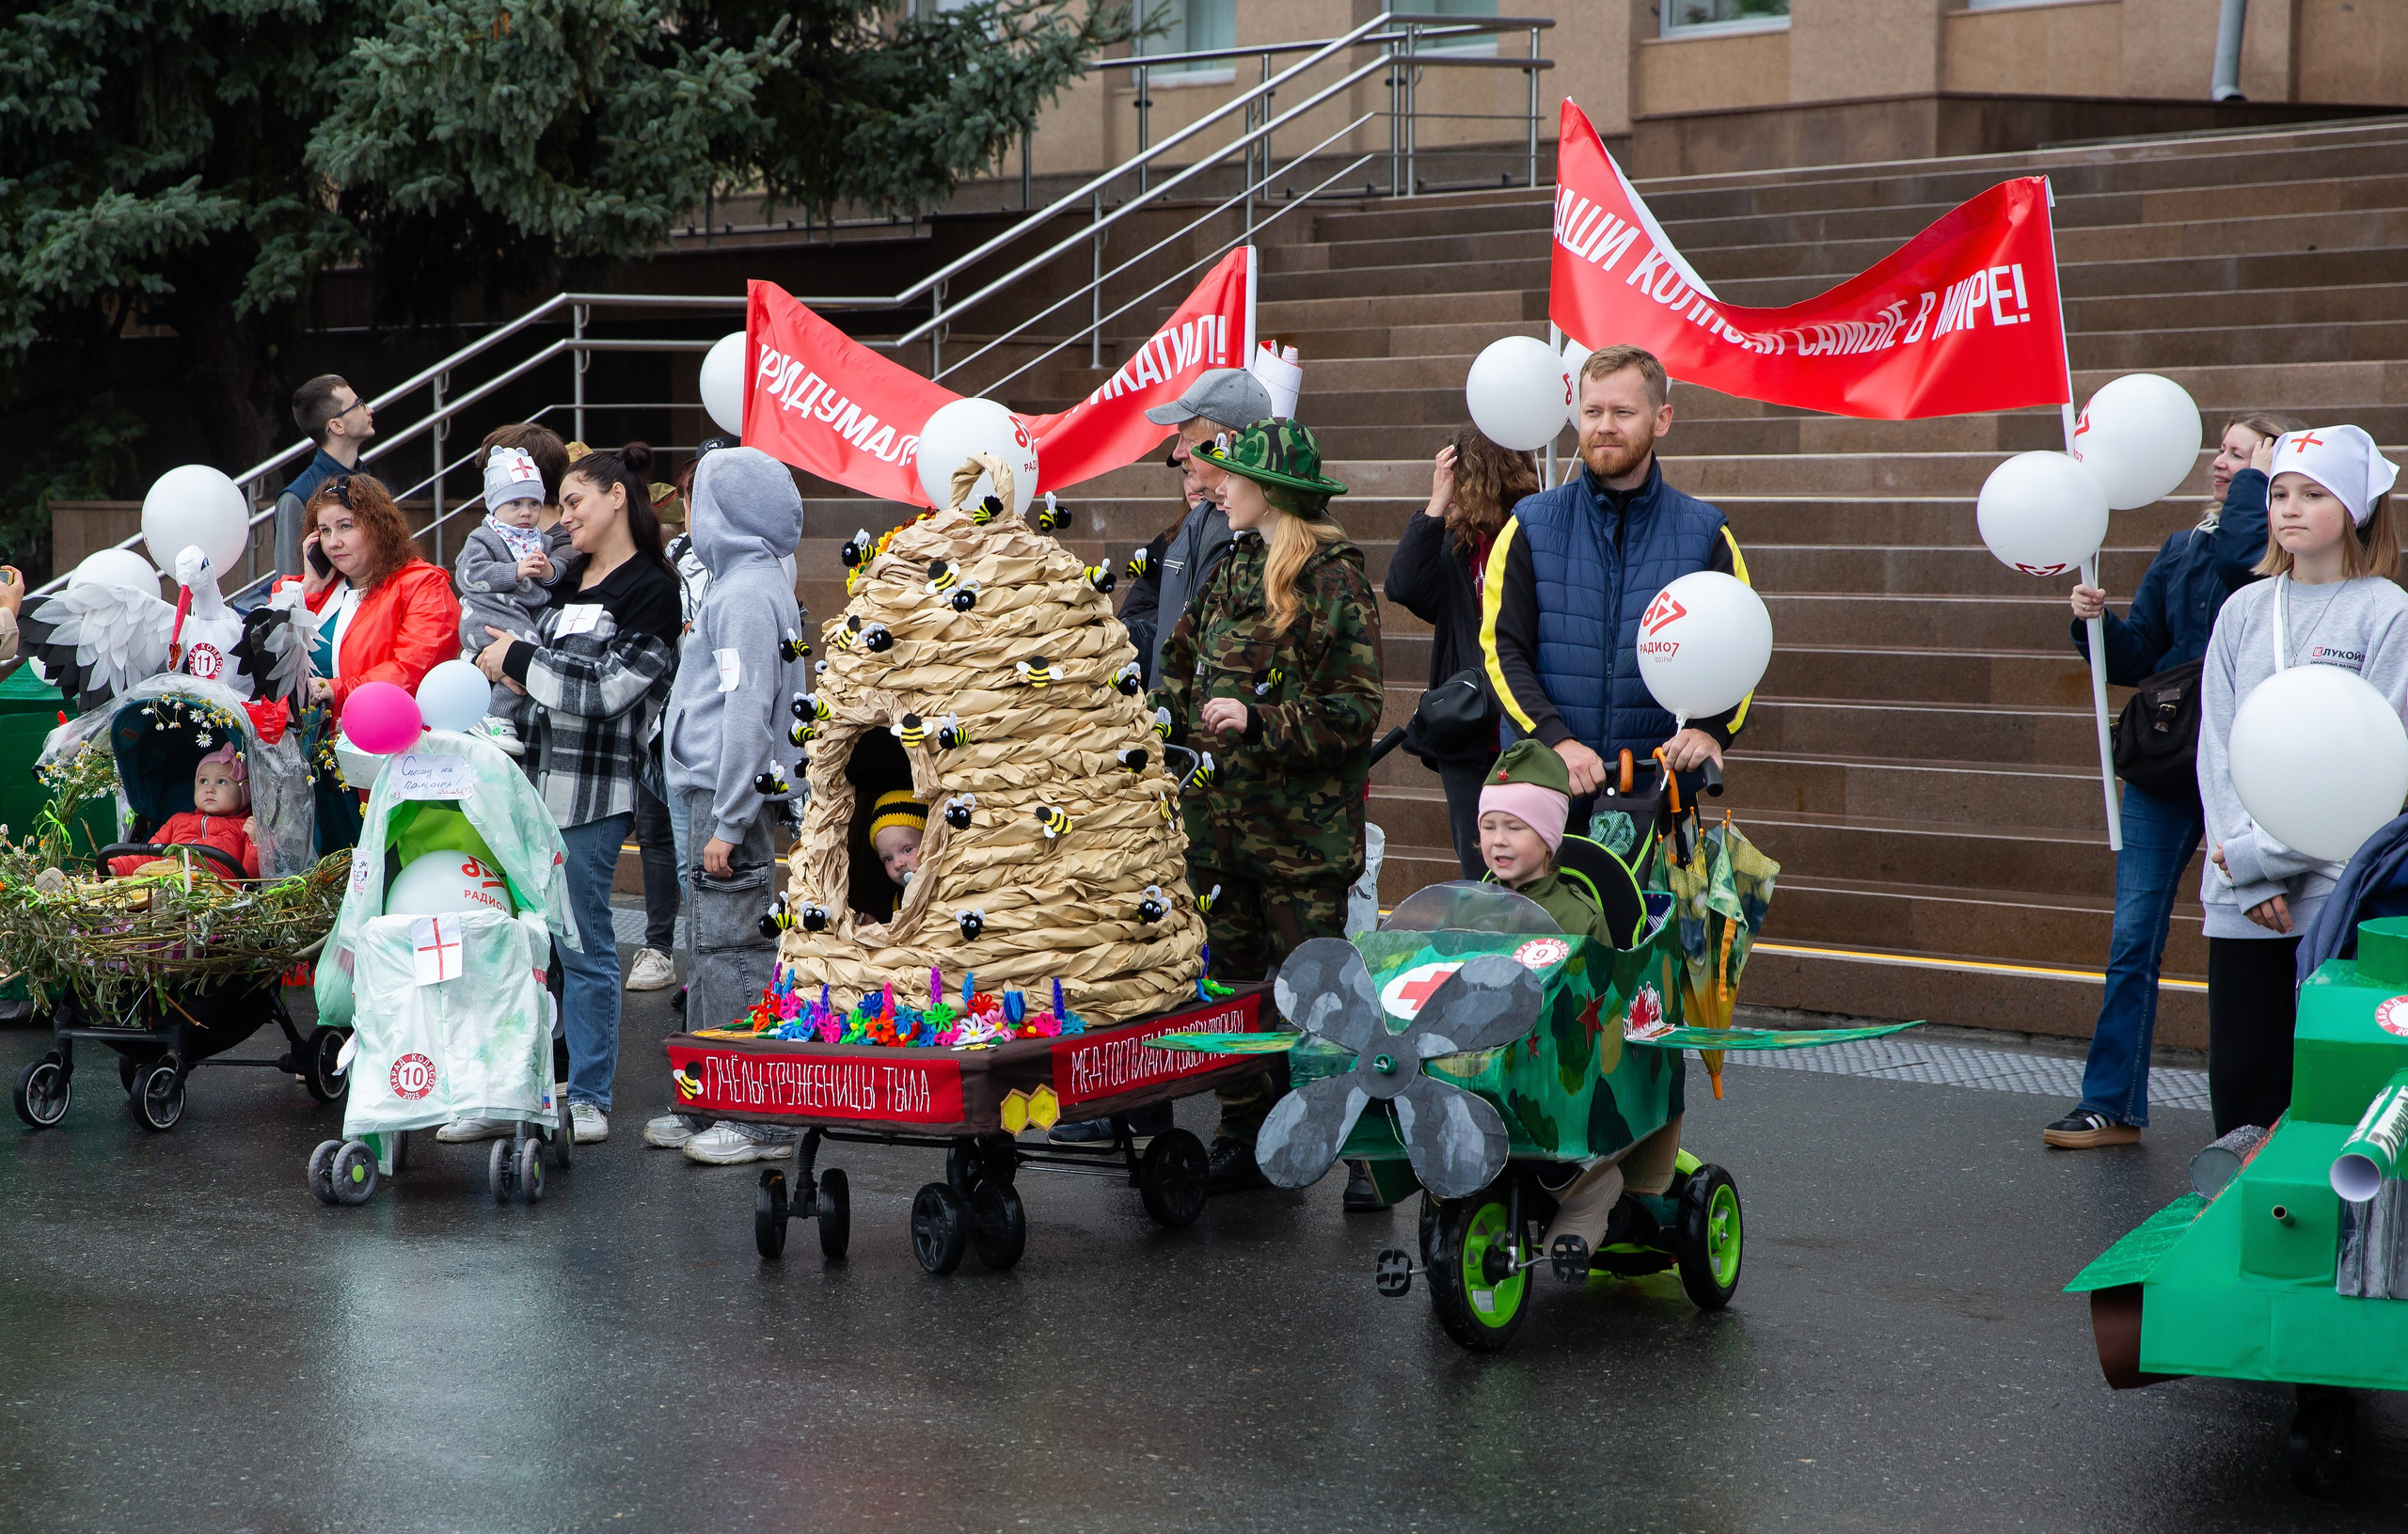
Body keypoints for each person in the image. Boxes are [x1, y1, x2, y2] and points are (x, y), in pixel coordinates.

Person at [2042, 411, 2303, 1150]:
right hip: (2168, 764)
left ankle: (2281, 1106)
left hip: (2250, 771)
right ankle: (2110, 1101)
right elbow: (2139, 658)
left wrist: (2262, 478)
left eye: (2240, 455)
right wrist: (2095, 623)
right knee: (2133, 936)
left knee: (2271, 939)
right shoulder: (2181, 546)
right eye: (2221, 452)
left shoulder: (2268, 552)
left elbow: (2240, 559)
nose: (2219, 463)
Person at [1151, 419, 1382, 1193]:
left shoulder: (1335, 579)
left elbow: (1355, 713)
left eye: (1234, 476)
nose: (1218, 485)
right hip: (1219, 833)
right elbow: (1180, 666)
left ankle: (1358, 1144)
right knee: (1228, 987)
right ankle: (1245, 1133)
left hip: (1300, 842)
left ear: (1271, 492)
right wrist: (1153, 733)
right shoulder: (1234, 564)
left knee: (1317, 997)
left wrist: (1261, 720)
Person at [2196, 425, 2405, 1137]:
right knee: (2244, 1083)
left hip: (2336, 894)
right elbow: (2217, 747)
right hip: (2243, 898)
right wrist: (2245, 870)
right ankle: (2234, 1230)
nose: (2289, 508)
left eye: (2313, 494)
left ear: (2353, 508)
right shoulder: (2243, 609)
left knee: (2325, 1090)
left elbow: (2372, 765)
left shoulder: (2387, 612)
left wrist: (2264, 858)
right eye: (2281, 492)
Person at [473, 442, 681, 1144]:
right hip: (526, 785)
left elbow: (608, 691)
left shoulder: (653, 585)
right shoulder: (565, 580)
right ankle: (514, 1087)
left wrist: (518, 659)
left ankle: (588, 1094)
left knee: (586, 944)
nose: (561, 521)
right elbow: (543, 682)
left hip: (593, 794)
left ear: (617, 497)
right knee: (518, 944)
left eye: (572, 503)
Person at [1481, 344, 1747, 821]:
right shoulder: (1530, 525)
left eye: (1623, 412)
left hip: (1656, 794)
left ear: (1661, 419)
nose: (1605, 425)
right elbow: (1502, 652)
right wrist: (1554, 740)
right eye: (1592, 411)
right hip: (1546, 789)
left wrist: (1710, 731)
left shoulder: (1706, 533)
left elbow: (1743, 649)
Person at [642, 445, 809, 1165]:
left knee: (735, 954)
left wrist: (733, 816)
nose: (688, 512)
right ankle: (709, 1098)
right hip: (712, 790)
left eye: (698, 498)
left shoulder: (743, 593)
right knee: (710, 953)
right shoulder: (746, 582)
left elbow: (748, 710)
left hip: (723, 797)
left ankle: (759, 1118)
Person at [1468, 738, 1671, 1253]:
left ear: (1550, 836)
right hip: (1481, 1053)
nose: (1499, 840)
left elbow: (1600, 994)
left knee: (1550, 1110)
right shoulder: (1470, 907)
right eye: (1489, 825)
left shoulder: (1579, 912)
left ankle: (1590, 1188)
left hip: (1558, 1059)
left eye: (1515, 827)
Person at [1387, 428, 1535, 877]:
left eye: (1458, 481)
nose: (1453, 495)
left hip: (1525, 719)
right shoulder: (1458, 546)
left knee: (1527, 859)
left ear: (1480, 479)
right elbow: (1403, 586)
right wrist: (1434, 505)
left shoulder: (1534, 535)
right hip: (1466, 729)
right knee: (1477, 861)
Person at [1115, 369, 1268, 688]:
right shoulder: (1196, 521)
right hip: (1169, 729)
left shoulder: (1274, 534)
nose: (1177, 453)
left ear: (1231, 443)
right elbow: (1176, 638)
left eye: (1190, 440)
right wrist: (1108, 637)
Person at [299, 473, 462, 711]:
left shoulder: (423, 585)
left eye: (345, 526)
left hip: (390, 736)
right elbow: (269, 660)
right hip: (313, 739)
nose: (333, 542)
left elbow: (411, 671)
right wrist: (310, 589)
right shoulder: (317, 586)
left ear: (378, 528)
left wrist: (339, 690)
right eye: (325, 531)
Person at [452, 446, 560, 758]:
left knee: (527, 655)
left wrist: (551, 570)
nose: (526, 512)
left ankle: (495, 712)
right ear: (495, 505)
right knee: (526, 652)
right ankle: (496, 715)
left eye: (533, 504)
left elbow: (558, 573)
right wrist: (514, 570)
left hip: (516, 615)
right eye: (515, 503)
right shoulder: (483, 538)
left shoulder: (544, 540)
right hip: (486, 614)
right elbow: (469, 575)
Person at [109, 744, 260, 878]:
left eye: (221, 782)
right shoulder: (178, 820)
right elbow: (148, 856)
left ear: (243, 793)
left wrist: (256, 843)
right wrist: (116, 867)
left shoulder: (245, 827)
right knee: (141, 878)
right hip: (167, 875)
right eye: (203, 781)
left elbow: (251, 875)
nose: (209, 789)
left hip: (213, 883)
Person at [276, 376, 375, 574]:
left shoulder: (372, 484)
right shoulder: (297, 497)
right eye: (359, 405)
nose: (370, 410)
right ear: (337, 426)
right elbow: (289, 584)